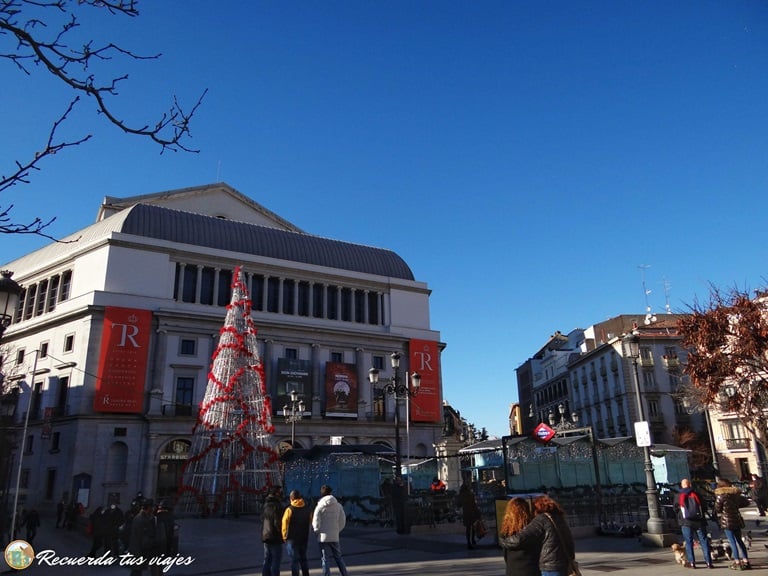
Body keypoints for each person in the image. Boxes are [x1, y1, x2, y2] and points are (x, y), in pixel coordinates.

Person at [500, 494, 575, 576]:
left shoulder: (541, 520)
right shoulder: (559, 519)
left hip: (549, 567)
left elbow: (518, 540)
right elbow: (570, 542)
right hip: (562, 565)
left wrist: (502, 541)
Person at [714, 478, 751, 570]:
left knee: (732, 542)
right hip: (736, 520)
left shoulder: (721, 496)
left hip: (726, 521)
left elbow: (717, 509)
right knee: (740, 541)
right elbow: (746, 502)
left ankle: (737, 561)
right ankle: (746, 560)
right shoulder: (735, 495)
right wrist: (736, 506)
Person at [312, 485, 348, 576]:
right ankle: (344, 573)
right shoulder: (338, 505)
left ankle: (326, 574)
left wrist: (317, 531)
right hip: (334, 536)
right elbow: (342, 520)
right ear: (331, 493)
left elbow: (315, 521)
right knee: (338, 557)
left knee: (325, 558)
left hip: (323, 537)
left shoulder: (319, 506)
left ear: (322, 493)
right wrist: (337, 530)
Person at [498, 497, 540, 576]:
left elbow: (505, 555)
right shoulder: (533, 528)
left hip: (512, 570)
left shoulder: (506, 532)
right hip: (532, 570)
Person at [676, 478, 713, 569]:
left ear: (682, 485)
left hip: (686, 522)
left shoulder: (678, 495)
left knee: (688, 542)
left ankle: (692, 563)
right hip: (699, 521)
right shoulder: (697, 494)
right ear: (690, 485)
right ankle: (708, 562)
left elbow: (675, 508)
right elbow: (704, 507)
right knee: (703, 541)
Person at [282, 489, 312, 576]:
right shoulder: (307, 509)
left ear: (291, 499)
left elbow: (284, 524)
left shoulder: (289, 510)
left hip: (292, 538)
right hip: (304, 538)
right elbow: (310, 523)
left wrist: (284, 537)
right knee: (303, 559)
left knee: (294, 560)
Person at [128, 499, 161, 576]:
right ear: (148, 507)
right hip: (140, 549)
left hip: (140, 549)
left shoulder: (145, 517)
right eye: (152, 507)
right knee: (137, 571)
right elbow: (142, 536)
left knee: (137, 571)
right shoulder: (141, 519)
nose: (153, 509)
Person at [262, 486, 286, 576]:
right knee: (276, 560)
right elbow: (278, 522)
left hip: (266, 534)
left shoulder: (266, 504)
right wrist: (282, 533)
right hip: (275, 536)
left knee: (267, 559)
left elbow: (262, 519)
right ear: (276, 493)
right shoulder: (277, 505)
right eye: (280, 492)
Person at [457, 480, 482, 549]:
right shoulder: (470, 494)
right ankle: (473, 540)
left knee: (468, 528)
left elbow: (458, 504)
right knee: (473, 526)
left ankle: (468, 542)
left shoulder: (461, 495)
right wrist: (477, 513)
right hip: (472, 512)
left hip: (466, 512)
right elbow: (474, 504)